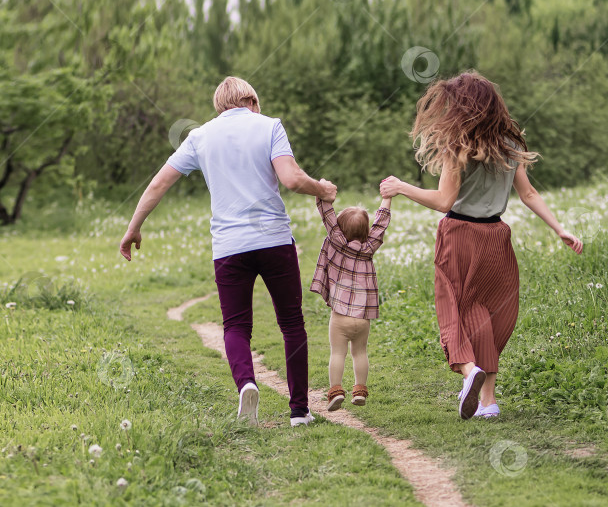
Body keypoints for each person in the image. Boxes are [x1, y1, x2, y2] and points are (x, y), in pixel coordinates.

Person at [119, 76, 337, 427]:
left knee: (236, 326)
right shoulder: (269, 127)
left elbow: (159, 183)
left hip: (229, 247)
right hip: (274, 240)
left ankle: (247, 383)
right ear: (251, 99)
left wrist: (133, 227)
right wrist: (322, 189)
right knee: (292, 323)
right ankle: (299, 412)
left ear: (220, 105)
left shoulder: (200, 136)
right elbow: (293, 180)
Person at [380, 71, 583, 420]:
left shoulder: (456, 145)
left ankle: (468, 368)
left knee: (453, 308)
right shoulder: (510, 143)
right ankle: (488, 402)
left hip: (459, 235)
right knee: (485, 313)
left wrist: (401, 187)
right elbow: (529, 194)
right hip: (496, 239)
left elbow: (445, 200)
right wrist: (559, 228)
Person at [310, 196, 391, 411]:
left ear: (340, 229)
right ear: (365, 231)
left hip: (340, 317)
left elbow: (327, 217)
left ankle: (336, 391)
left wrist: (323, 195)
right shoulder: (369, 247)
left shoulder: (337, 242)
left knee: (338, 353)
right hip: (362, 319)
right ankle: (359, 390)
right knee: (360, 353)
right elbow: (380, 225)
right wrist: (387, 199)